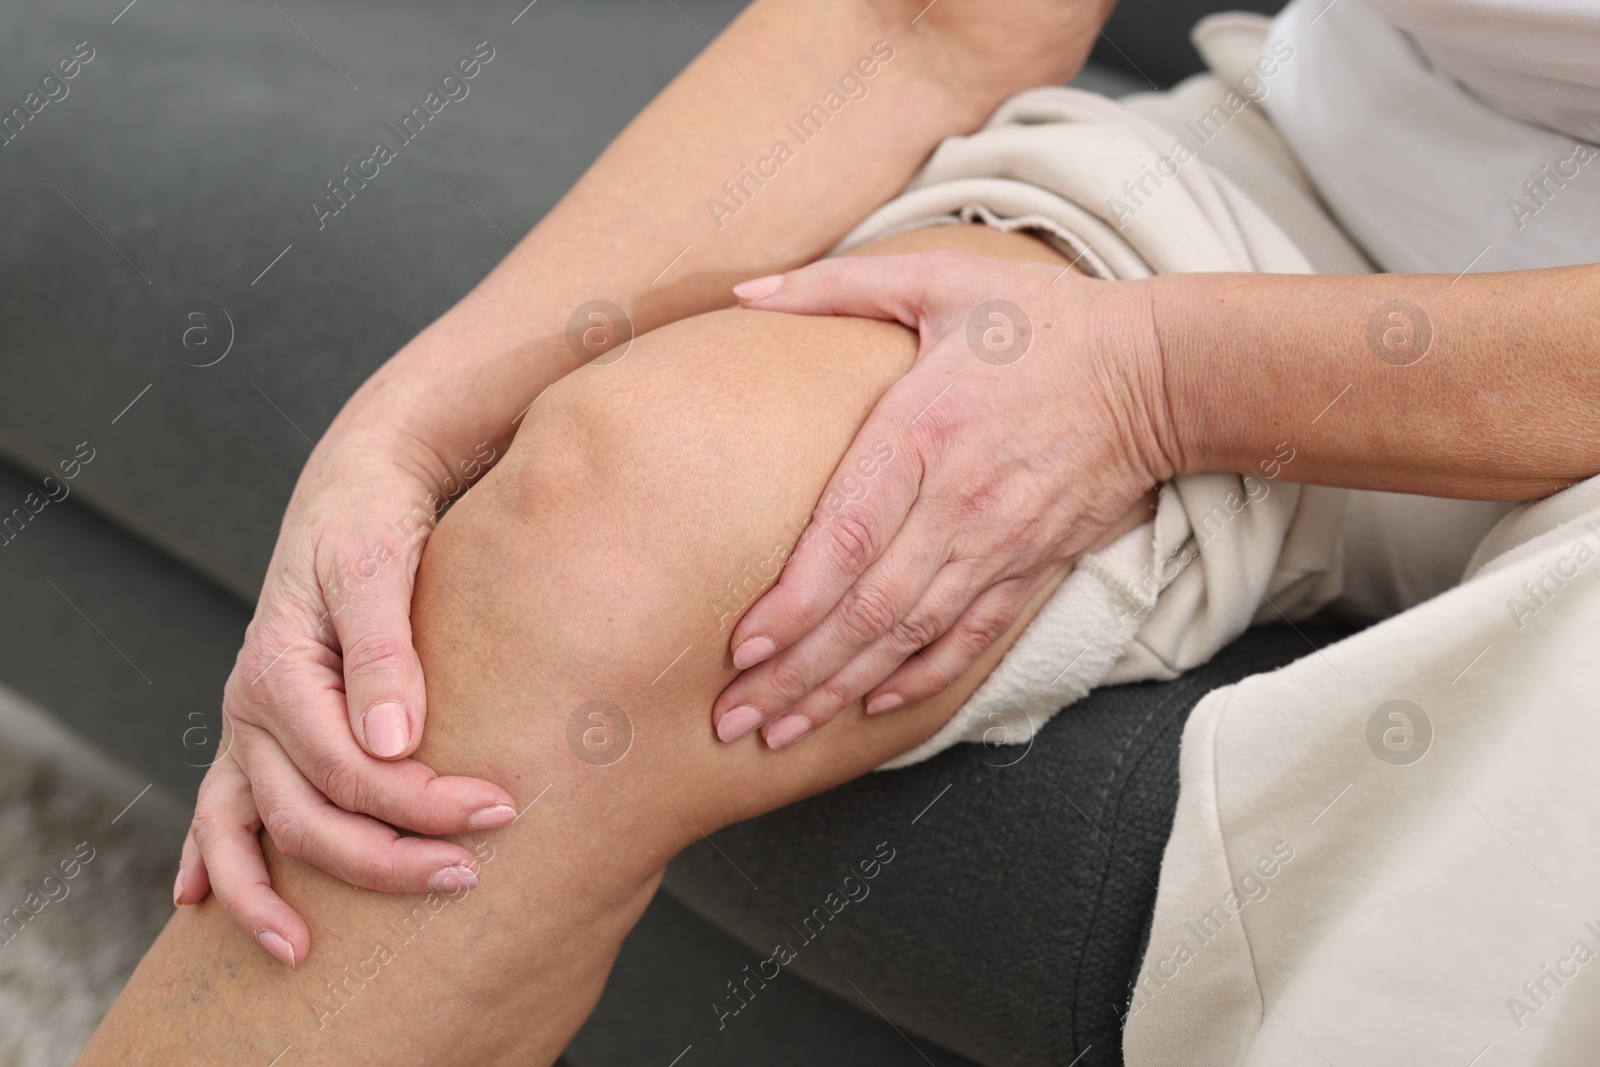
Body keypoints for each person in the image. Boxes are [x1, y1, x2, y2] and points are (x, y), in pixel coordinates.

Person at [83, 0, 1597, 1062]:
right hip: (1336, 184)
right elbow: (914, 19)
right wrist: (407, 437)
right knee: (611, 522)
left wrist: (1157, 382)